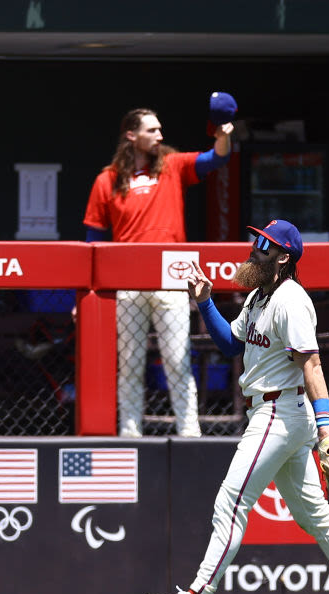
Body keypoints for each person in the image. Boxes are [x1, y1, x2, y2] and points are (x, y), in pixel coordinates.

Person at [143, 219, 329, 594]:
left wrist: (325, 425)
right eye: (257, 240)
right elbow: (231, 344)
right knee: (314, 513)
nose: (255, 248)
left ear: (284, 257)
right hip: (276, 412)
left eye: (265, 244)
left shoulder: (291, 299)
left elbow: (311, 364)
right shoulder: (260, 296)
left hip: (279, 413)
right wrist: (205, 303)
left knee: (231, 502)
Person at [83, 107, 234, 438]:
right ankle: (130, 433)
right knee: (130, 365)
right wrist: (82, 294)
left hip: (171, 280)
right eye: (152, 130)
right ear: (131, 136)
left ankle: (189, 433)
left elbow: (216, 159)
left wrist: (223, 135)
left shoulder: (172, 165)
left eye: (160, 129)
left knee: (178, 361)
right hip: (127, 282)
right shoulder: (106, 179)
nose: (160, 136)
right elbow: (93, 239)